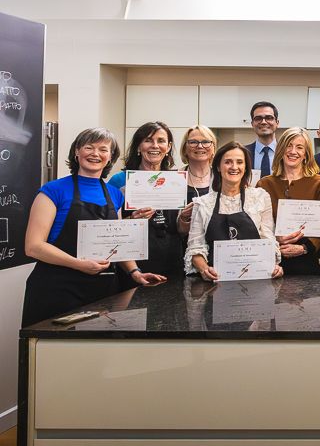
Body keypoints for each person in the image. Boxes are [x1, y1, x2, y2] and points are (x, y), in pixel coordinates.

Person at [22, 128, 165, 326]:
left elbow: (116, 244)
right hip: (56, 288)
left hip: (102, 291)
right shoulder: (53, 191)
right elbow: (33, 246)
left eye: (103, 149)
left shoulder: (115, 194)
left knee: (95, 344)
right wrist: (78, 264)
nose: (95, 154)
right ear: (77, 151)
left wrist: (135, 272)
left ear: (110, 157)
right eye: (89, 147)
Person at [186, 141, 283, 281]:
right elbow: (195, 247)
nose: (234, 167)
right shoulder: (202, 203)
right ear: (218, 167)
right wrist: (205, 269)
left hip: (254, 278)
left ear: (246, 167)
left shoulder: (260, 197)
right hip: (216, 279)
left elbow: (268, 239)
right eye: (228, 162)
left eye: (239, 162)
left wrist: (273, 265)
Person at [108, 121, 185, 285]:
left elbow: (179, 228)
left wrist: (185, 219)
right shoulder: (120, 181)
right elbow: (109, 229)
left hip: (172, 261)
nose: (155, 145)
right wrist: (132, 220)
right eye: (148, 140)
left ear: (168, 147)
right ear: (138, 146)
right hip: (133, 265)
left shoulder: (176, 180)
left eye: (161, 141)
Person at [257, 127, 320, 275]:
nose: (293, 151)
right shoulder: (264, 184)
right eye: (289, 146)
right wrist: (276, 240)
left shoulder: (319, 183)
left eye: (299, 147)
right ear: (281, 150)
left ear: (306, 154)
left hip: (307, 260)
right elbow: (257, 225)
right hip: (272, 259)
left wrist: (304, 248)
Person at [247, 101, 279, 179]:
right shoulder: (243, 153)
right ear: (252, 124)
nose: (263, 122)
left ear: (277, 123)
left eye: (269, 118)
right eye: (258, 118)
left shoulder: (287, 153)